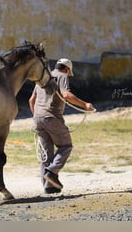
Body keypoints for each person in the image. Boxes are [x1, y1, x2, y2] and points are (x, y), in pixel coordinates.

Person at [28, 58, 95, 194]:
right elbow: (66, 94)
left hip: (38, 118)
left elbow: (31, 100)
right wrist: (85, 105)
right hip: (52, 117)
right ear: (67, 69)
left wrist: (37, 116)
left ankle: (49, 186)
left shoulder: (44, 76)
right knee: (66, 146)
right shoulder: (62, 75)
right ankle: (51, 173)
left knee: (46, 154)